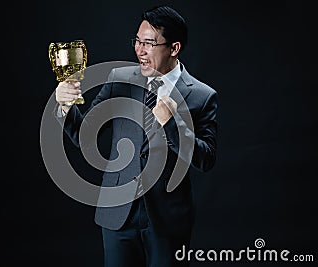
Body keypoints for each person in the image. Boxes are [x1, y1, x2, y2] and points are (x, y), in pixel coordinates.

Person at [55, 6, 217, 267]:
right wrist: (66, 107)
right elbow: (85, 135)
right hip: (118, 215)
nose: (140, 50)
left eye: (149, 43)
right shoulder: (119, 79)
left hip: (167, 219)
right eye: (138, 41)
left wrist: (173, 124)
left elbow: (206, 159)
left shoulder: (201, 95)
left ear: (174, 48)